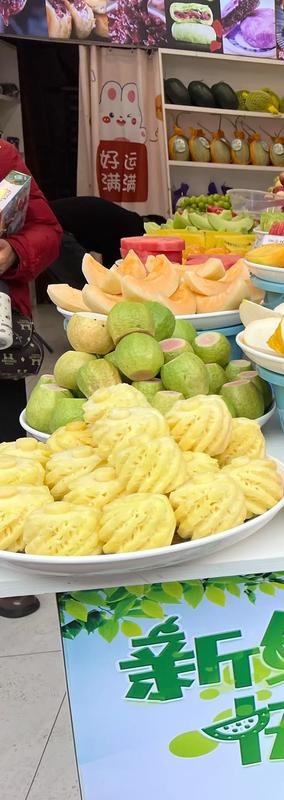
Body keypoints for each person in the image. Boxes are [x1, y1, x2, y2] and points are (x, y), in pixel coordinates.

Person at [0, 140, 62, 620]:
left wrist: (10, 253)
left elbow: (45, 229)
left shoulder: (1, 157)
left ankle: (6, 567)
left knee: (4, 453)